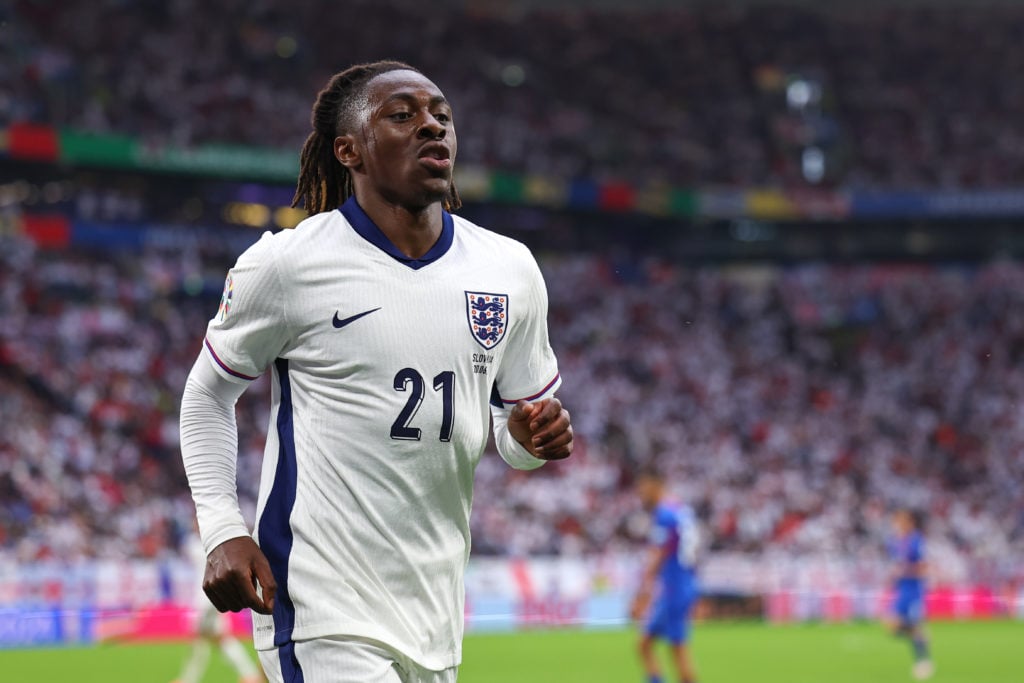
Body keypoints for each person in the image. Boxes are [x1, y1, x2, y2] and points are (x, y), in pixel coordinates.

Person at [178, 60, 573, 683]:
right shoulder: (289, 265)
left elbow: (515, 434)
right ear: (349, 150)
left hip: (434, 612)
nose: (431, 127)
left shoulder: (508, 269)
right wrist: (222, 529)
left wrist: (528, 440)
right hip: (321, 604)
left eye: (441, 115)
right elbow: (207, 395)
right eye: (402, 115)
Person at [629, 468, 700, 683]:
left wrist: (642, 593)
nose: (640, 493)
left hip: (675, 588)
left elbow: (658, 555)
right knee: (644, 644)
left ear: (655, 485)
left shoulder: (664, 514)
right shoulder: (681, 509)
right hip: (681, 583)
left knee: (678, 652)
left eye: (643, 488)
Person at [171, 521, 263, 683]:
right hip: (215, 596)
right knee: (220, 639)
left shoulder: (195, 545)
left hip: (205, 600)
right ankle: (250, 674)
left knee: (203, 639)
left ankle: (188, 679)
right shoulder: (215, 543)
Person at [886, 509, 934, 680]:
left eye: (900, 521)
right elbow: (897, 565)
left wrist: (904, 571)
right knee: (891, 626)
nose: (897, 524)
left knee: (913, 624)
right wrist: (894, 576)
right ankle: (920, 635)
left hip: (914, 590)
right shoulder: (895, 542)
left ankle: (923, 661)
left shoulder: (916, 541)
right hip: (902, 589)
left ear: (909, 522)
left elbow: (923, 567)